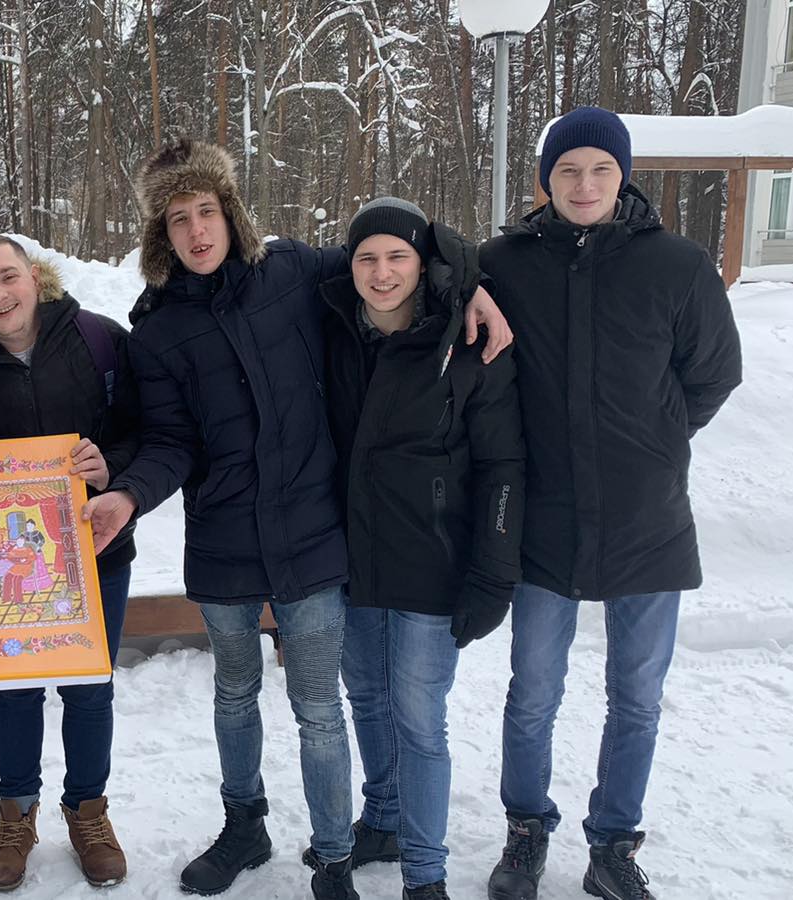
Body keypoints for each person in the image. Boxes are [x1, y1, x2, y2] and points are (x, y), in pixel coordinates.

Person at [81, 139, 513, 900]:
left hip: (312, 537)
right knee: (234, 695)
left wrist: (469, 283)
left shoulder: (292, 272)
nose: (196, 230)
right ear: (161, 234)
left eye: (206, 210)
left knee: (319, 708)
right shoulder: (156, 331)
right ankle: (243, 826)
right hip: (223, 542)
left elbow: (391, 251)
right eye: (178, 218)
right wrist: (129, 494)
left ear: (230, 212)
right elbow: (171, 441)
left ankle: (334, 858)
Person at [477, 107, 742, 900]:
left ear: (623, 176)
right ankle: (526, 830)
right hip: (544, 520)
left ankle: (613, 846)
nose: (584, 184)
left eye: (600, 169)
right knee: (533, 692)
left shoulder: (678, 265)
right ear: (545, 181)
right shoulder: (504, 264)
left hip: (646, 519)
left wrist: (656, 438)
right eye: (567, 170)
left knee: (637, 697)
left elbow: (714, 373)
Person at [0, 233, 141, 890]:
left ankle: (88, 810)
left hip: (96, 549)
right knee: (15, 688)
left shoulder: (99, 340)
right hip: (2, 563)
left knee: (90, 687)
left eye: (8, 277)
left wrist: (113, 466)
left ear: (34, 277)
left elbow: (146, 430)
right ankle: (15, 814)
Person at [318, 199, 525, 900]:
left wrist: (493, 574)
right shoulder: (333, 328)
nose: (382, 273)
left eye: (398, 257)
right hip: (352, 559)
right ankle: (382, 817)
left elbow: (503, 467)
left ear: (422, 262)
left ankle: (425, 874)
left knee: (419, 720)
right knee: (366, 697)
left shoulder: (466, 340)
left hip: (434, 563)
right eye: (367, 258)